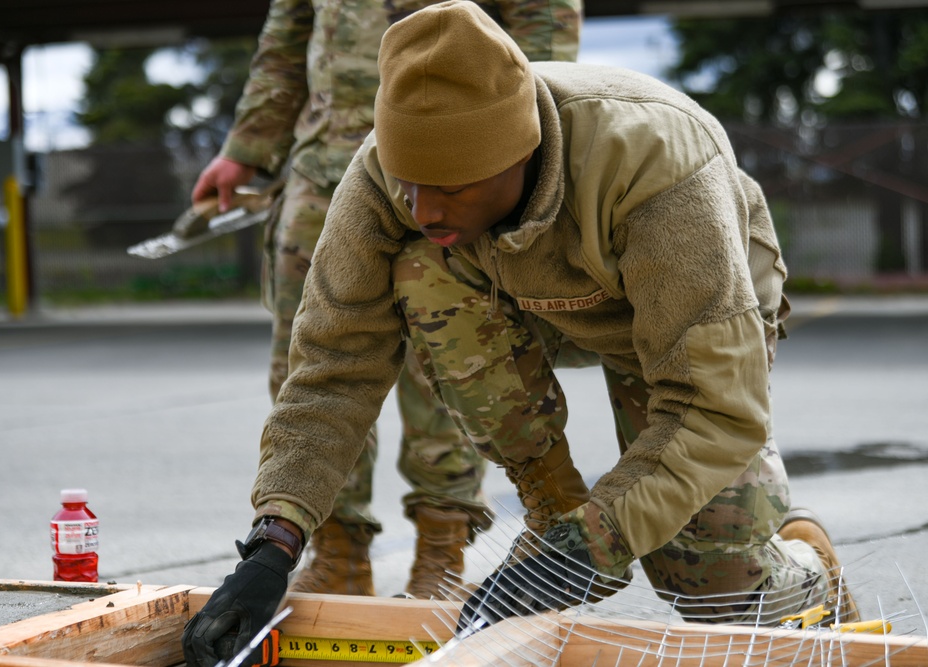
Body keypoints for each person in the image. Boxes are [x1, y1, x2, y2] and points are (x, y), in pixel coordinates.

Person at [182, 1, 862, 663]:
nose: (423, 207)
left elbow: (716, 406)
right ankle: (551, 505)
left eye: (449, 187)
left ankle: (813, 571)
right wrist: (276, 539)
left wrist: (595, 543)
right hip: (519, 291)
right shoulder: (389, 174)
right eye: (408, 184)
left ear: (519, 150)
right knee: (421, 265)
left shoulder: (657, 163)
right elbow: (333, 364)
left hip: (677, 320)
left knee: (712, 586)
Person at [191, 0, 583, 600]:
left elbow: (543, 21)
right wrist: (247, 147)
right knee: (314, 348)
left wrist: (506, 150)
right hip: (325, 166)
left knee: (453, 348)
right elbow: (289, 35)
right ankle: (337, 550)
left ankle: (441, 551)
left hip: (460, 165)